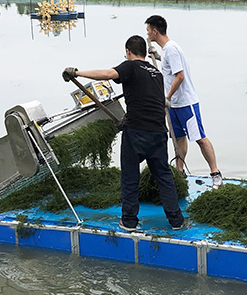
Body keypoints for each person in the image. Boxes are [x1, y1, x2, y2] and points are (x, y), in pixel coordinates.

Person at [62, 35, 185, 232]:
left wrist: (77, 72)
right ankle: (176, 221)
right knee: (163, 177)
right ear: (145, 52)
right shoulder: (157, 73)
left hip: (136, 133)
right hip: (158, 133)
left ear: (128, 52)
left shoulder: (130, 66)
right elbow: (146, 99)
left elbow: (108, 74)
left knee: (130, 177)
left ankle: (129, 222)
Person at [144, 14, 223, 189]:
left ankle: (215, 173)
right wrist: (158, 57)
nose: (147, 34)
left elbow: (180, 76)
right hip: (174, 106)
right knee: (179, 138)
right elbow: (170, 67)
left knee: (200, 138)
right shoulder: (166, 51)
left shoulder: (171, 48)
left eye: (148, 30)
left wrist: (167, 97)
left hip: (185, 102)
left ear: (155, 31)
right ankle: (179, 173)